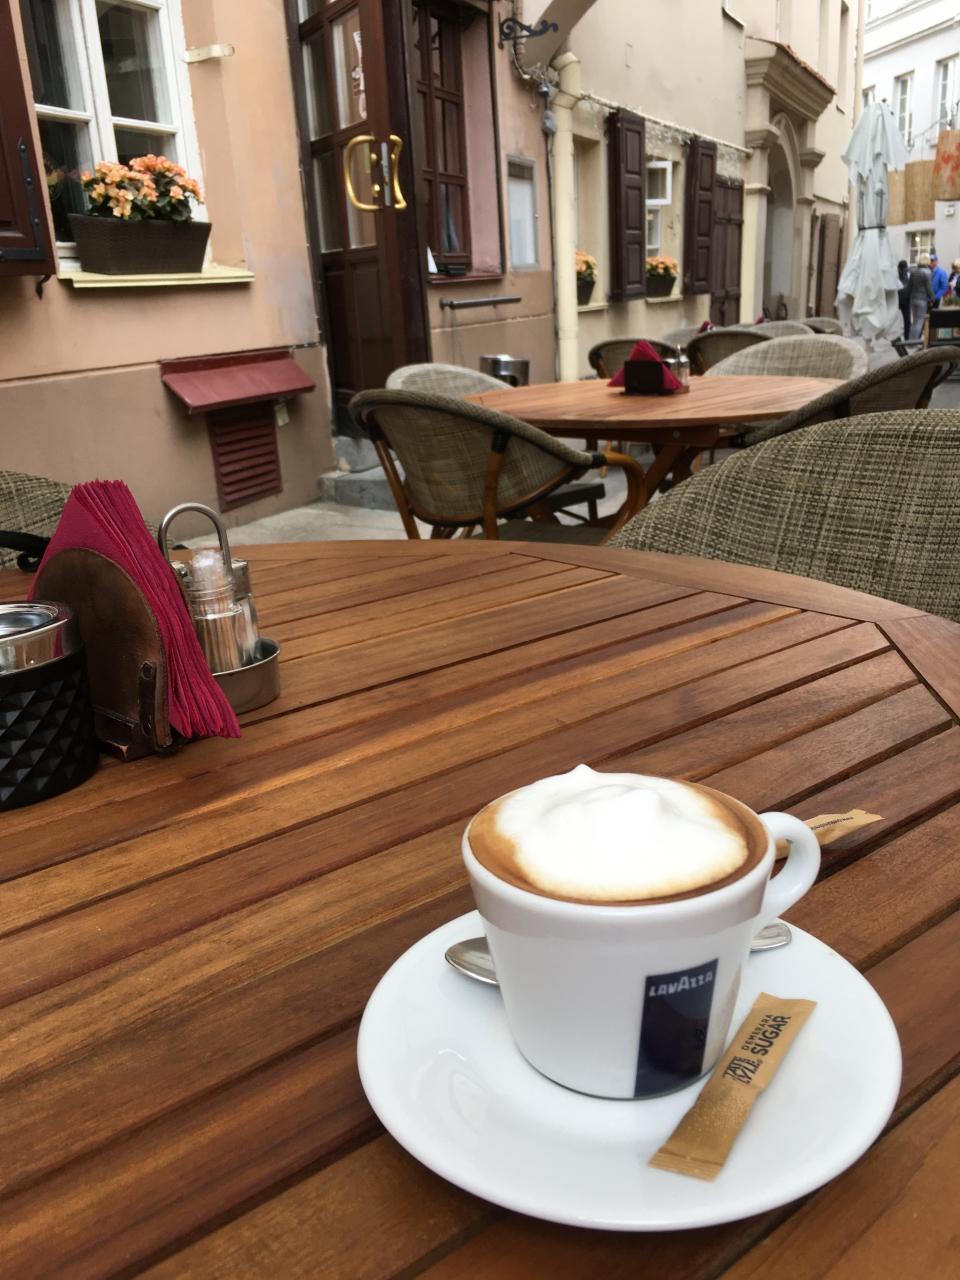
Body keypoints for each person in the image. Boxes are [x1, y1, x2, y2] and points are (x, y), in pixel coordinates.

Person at [908, 253, 935, 340]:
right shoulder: (928, 272)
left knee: (914, 321)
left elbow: (909, 286)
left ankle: (910, 341)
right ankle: (915, 342)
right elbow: (929, 288)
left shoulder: (913, 271)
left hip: (913, 299)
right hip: (922, 300)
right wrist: (933, 298)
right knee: (919, 321)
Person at [897, 259, 910, 339]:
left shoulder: (896, 275)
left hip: (898, 298)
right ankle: (907, 336)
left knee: (894, 318)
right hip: (906, 299)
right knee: (907, 318)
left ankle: (894, 336)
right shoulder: (909, 274)